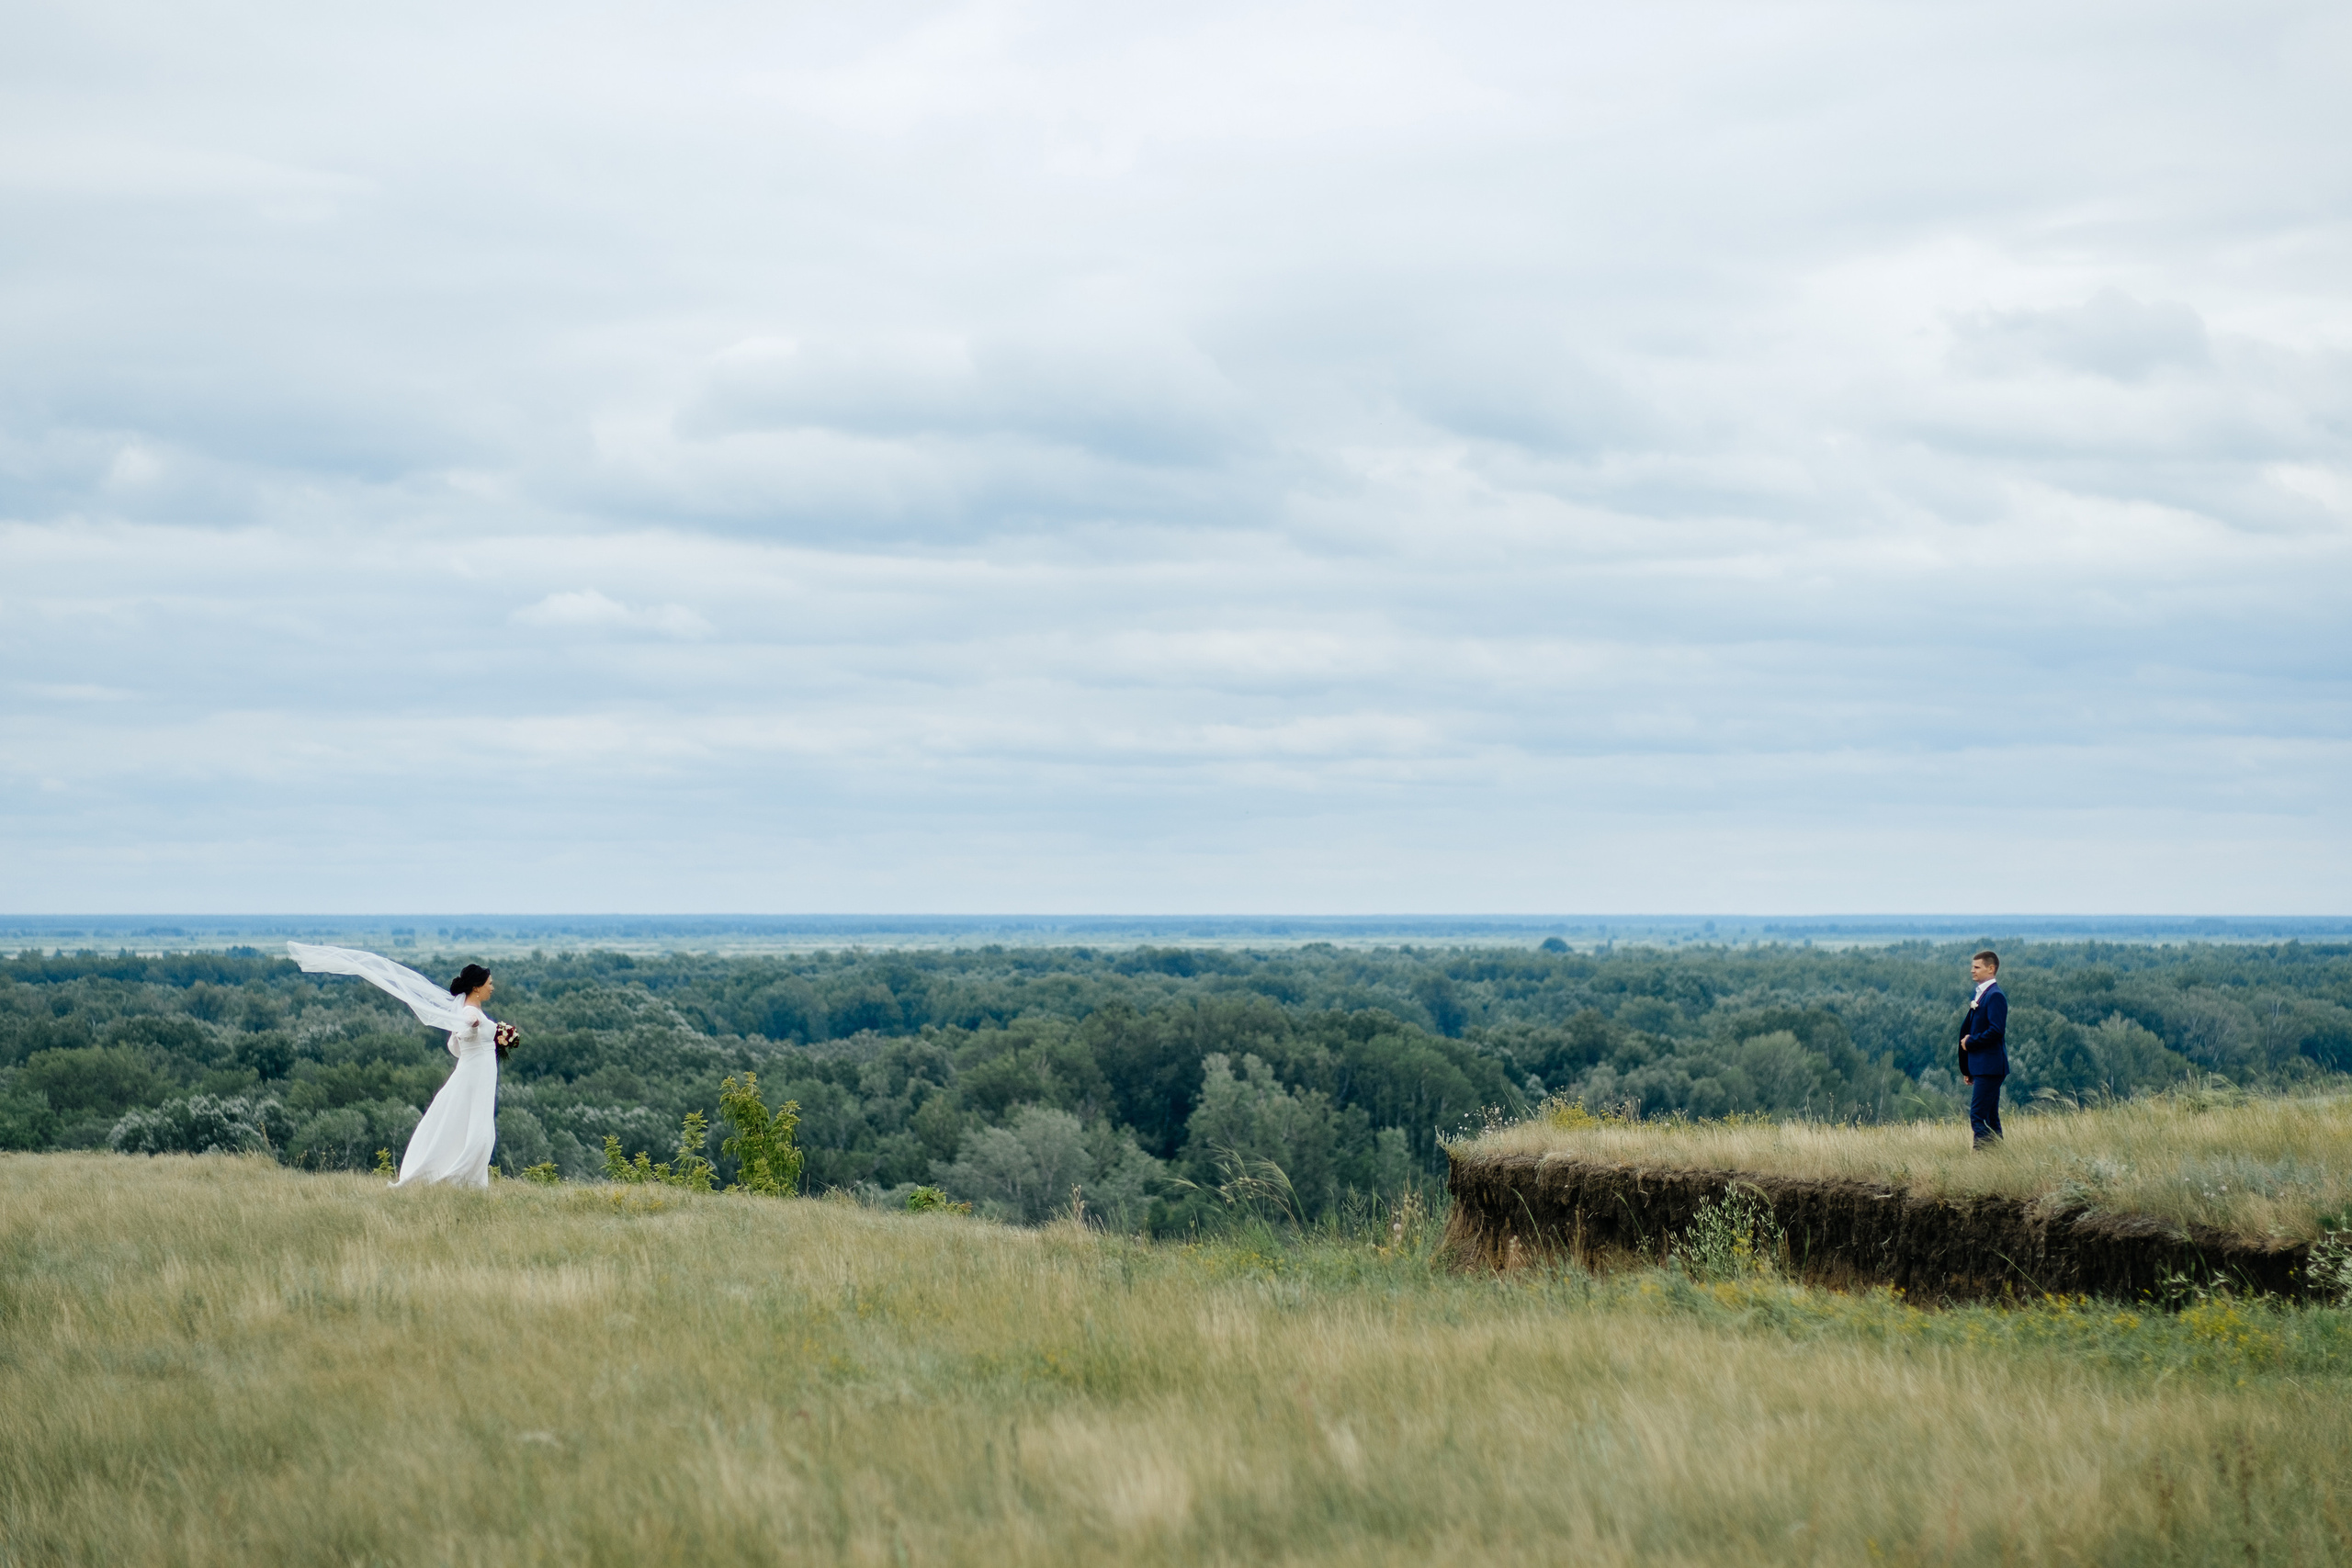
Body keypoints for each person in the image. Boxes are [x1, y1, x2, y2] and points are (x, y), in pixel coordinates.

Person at [287, 942, 516, 1188]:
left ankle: (470, 1181)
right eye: (489, 983)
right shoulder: (469, 1014)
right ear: (476, 987)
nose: (493, 987)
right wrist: (469, 1027)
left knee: (474, 1129)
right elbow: (464, 1032)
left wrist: (502, 1036)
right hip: (474, 1079)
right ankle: (458, 1179)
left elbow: (460, 1046)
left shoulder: (475, 1011)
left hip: (478, 1077)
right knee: (478, 1134)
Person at [1957, 949, 2007, 1148]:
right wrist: (1970, 1069)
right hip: (1982, 1067)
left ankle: (1982, 1157)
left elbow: (1996, 1031)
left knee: (1977, 1116)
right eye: (1972, 966)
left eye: (1977, 967)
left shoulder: (1995, 996)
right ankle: (1998, 1158)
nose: (1972, 970)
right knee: (1990, 1116)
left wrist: (1970, 1042)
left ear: (1991, 968)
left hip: (1990, 1067)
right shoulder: (1981, 994)